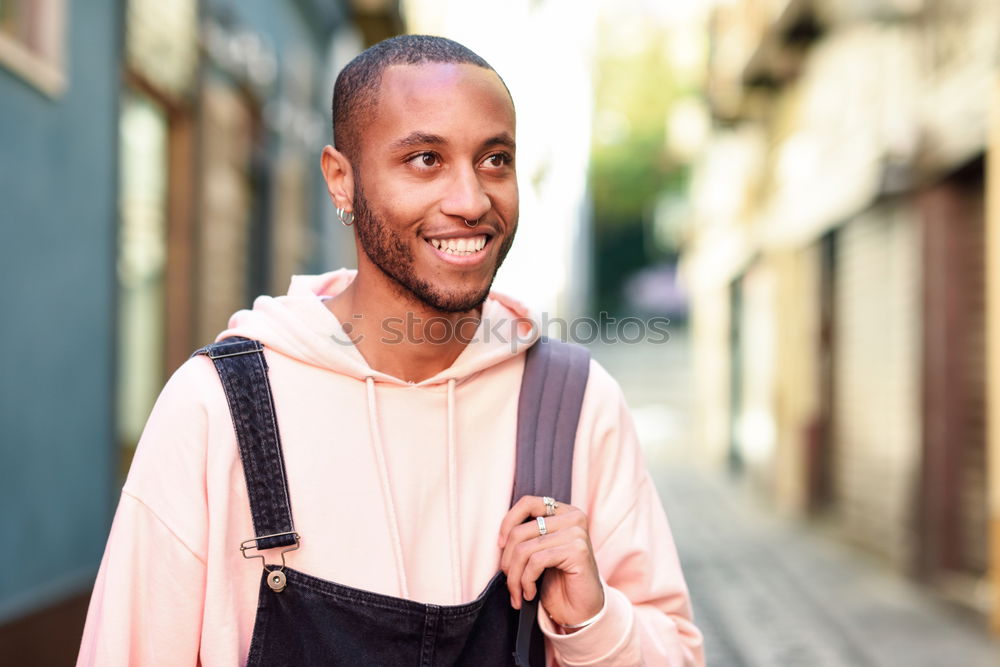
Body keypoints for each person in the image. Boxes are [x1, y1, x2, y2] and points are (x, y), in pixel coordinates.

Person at [77, 35, 704, 666]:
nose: (471, 201)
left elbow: (679, 652)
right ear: (341, 181)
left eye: (495, 160)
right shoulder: (218, 409)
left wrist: (593, 623)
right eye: (426, 159)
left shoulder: (574, 404)